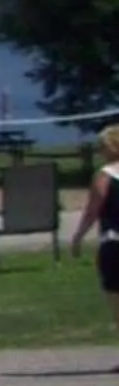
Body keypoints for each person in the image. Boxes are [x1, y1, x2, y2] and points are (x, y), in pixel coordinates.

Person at [76, 124, 119, 336]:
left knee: (115, 295)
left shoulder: (105, 175)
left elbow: (93, 209)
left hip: (113, 240)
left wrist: (79, 236)